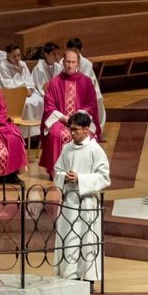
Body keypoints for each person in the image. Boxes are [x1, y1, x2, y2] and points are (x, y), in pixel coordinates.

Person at [53, 110, 111, 281]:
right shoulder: (66, 149)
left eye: (75, 129)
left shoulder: (95, 150)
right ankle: (69, 276)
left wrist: (81, 179)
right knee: (69, 238)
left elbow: (104, 177)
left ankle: (88, 277)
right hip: (70, 200)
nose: (71, 133)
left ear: (86, 129)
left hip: (86, 201)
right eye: (70, 129)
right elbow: (57, 171)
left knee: (87, 239)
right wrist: (65, 178)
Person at [40, 46, 103, 172]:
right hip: (60, 120)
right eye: (67, 62)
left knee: (86, 135)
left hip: (80, 120)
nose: (70, 65)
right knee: (56, 134)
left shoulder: (86, 81)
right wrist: (63, 117)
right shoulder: (54, 83)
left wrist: (77, 117)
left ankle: (83, 170)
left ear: (78, 63)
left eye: (73, 62)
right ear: (63, 62)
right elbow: (49, 106)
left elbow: (91, 105)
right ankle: (56, 171)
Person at [63, 36, 107, 126]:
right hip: (66, 89)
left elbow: (87, 81)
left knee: (98, 98)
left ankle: (95, 129)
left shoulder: (86, 63)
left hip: (84, 90)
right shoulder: (63, 62)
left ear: (81, 50)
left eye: (76, 51)